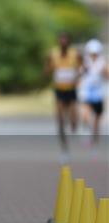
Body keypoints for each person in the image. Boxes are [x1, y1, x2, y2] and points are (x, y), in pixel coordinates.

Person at [45, 32, 81, 162]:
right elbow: (47, 70)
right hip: (59, 90)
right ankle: (64, 150)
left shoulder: (75, 54)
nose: (63, 42)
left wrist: (77, 76)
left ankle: (74, 123)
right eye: (61, 40)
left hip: (71, 90)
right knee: (60, 121)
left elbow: (81, 68)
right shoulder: (53, 54)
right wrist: (50, 68)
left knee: (72, 120)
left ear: (69, 42)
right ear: (58, 41)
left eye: (66, 39)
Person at [80, 39, 107, 145]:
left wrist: (104, 71)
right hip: (87, 92)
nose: (93, 55)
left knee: (97, 117)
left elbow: (107, 76)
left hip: (99, 93)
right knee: (85, 116)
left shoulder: (103, 62)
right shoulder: (85, 62)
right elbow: (79, 74)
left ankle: (95, 137)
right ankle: (88, 131)